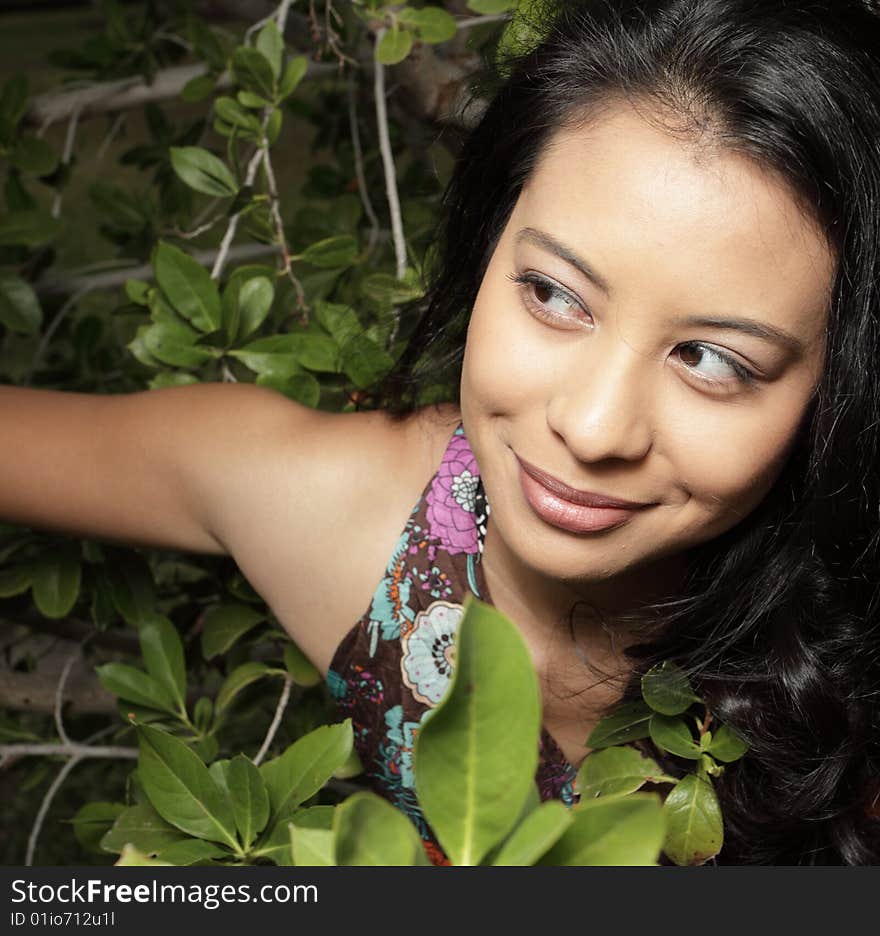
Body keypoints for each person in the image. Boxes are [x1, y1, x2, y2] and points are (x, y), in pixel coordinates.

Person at [2, 0, 879, 865]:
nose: (592, 426)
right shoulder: (332, 511)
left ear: (837, 389)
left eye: (712, 360)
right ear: (488, 243)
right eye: (553, 295)